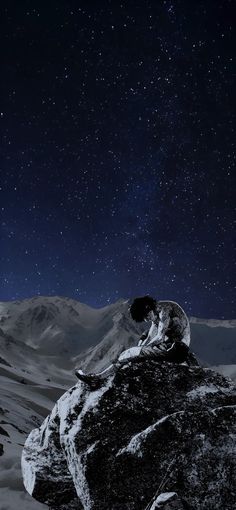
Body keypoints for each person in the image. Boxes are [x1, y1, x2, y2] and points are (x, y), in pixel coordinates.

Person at [75, 295, 199, 390]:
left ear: (147, 308)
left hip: (176, 349)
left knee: (129, 354)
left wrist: (138, 351)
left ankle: (98, 379)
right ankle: (99, 377)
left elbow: (159, 337)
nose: (146, 319)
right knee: (131, 353)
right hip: (174, 348)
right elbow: (150, 337)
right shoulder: (157, 312)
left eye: (145, 316)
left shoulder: (164, 310)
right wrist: (140, 348)